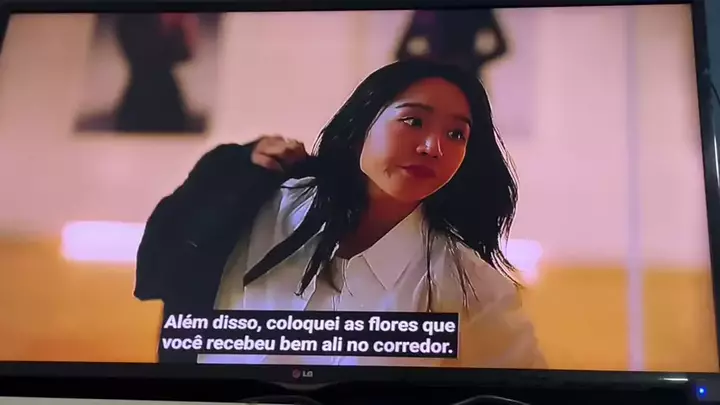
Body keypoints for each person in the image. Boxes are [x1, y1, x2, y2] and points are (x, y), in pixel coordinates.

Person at [135, 59, 546, 368]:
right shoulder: (258, 203)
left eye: (456, 134)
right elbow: (161, 269)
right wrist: (239, 163)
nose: (433, 147)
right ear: (361, 125)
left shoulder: (471, 282)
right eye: (413, 121)